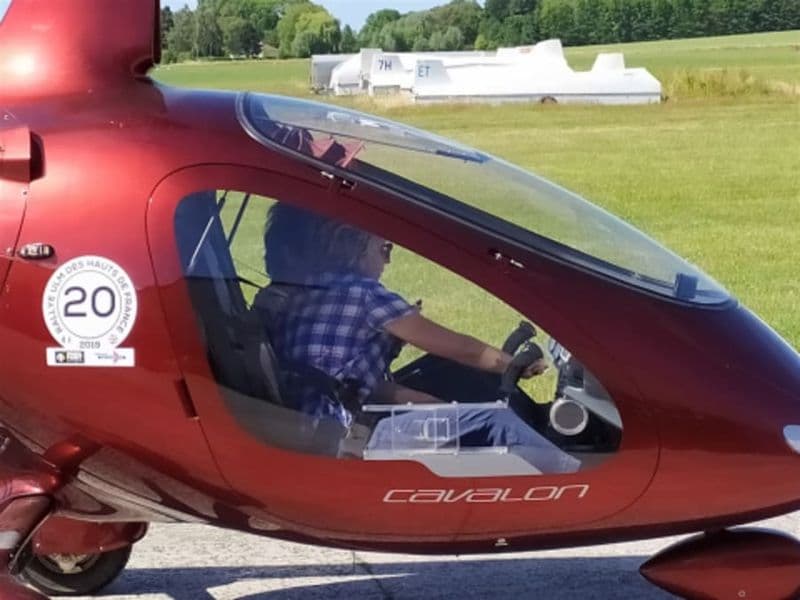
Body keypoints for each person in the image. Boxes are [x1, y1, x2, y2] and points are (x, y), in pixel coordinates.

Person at [256, 203, 580, 474]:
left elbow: (358, 385)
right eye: (384, 250)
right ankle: (580, 481)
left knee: (463, 403)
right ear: (349, 246)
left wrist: (439, 410)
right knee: (495, 421)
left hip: (316, 428)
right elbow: (462, 349)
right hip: (351, 436)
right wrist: (515, 364)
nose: (388, 261)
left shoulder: (299, 298)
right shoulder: (365, 295)